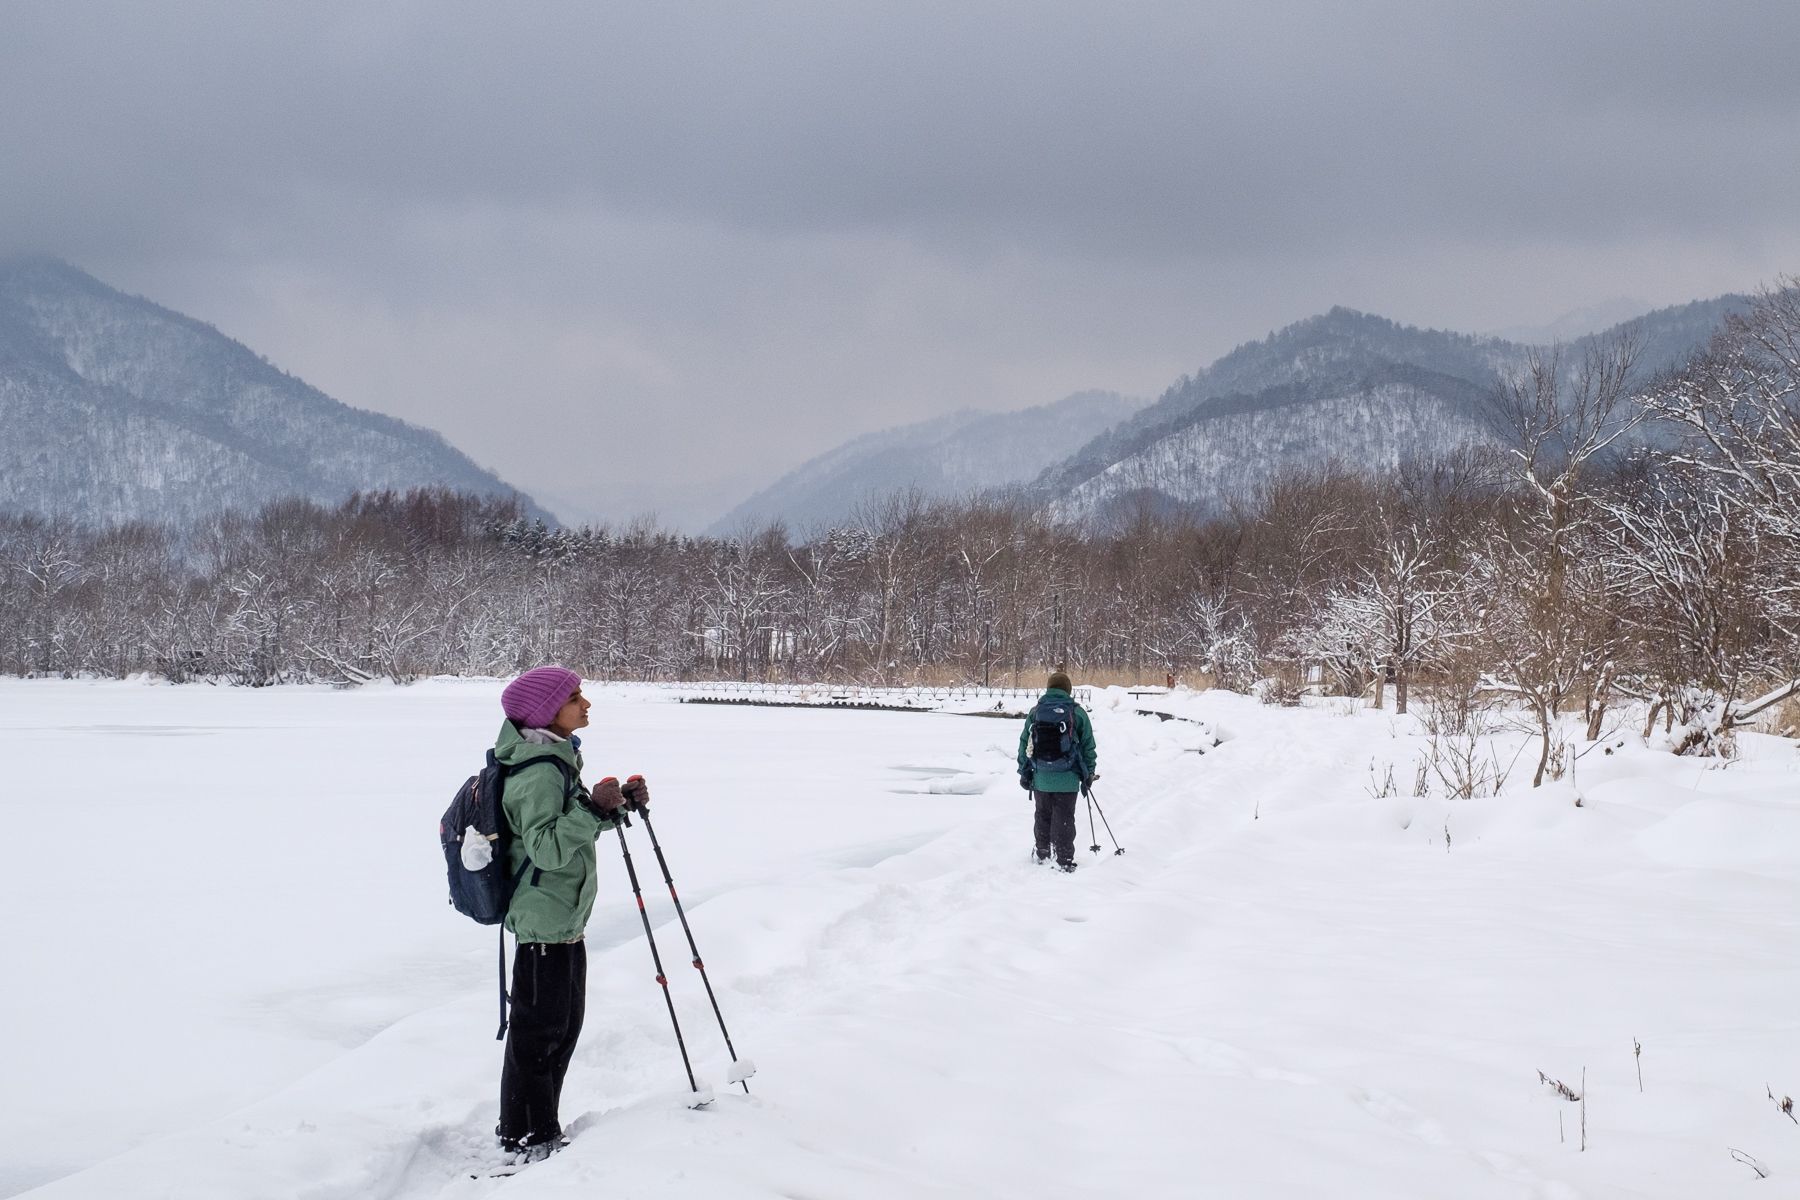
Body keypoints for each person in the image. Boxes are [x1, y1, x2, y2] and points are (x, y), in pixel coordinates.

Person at [491, 665, 648, 1161]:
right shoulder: (537, 771)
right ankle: (530, 1136)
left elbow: (572, 830)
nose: (586, 703)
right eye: (575, 697)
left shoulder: (556, 758)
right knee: (541, 1035)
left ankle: (531, 1129)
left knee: (558, 1029)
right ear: (546, 711)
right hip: (544, 922)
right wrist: (590, 810)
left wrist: (613, 808)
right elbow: (547, 849)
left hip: (562, 920)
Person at [1017, 671, 1098, 872]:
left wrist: (1024, 771)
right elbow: (1088, 745)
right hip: (1068, 778)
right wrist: (1089, 773)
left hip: (1041, 776)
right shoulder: (1077, 713)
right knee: (1064, 817)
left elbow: (1023, 744)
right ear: (1068, 690)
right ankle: (1064, 859)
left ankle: (1043, 853)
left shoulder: (1036, 712)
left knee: (1042, 814)